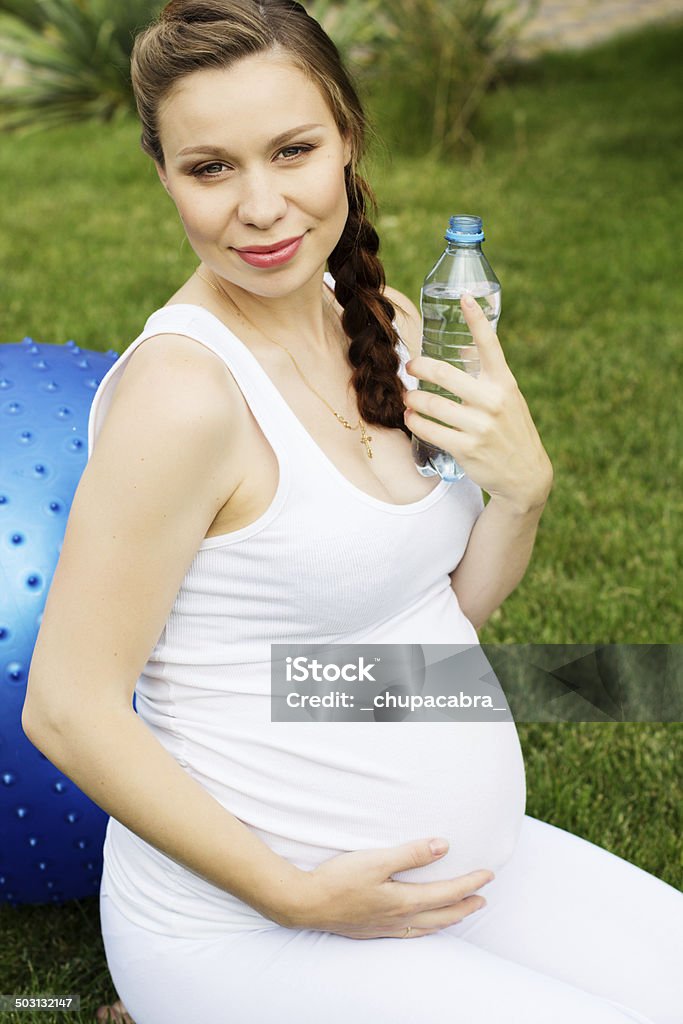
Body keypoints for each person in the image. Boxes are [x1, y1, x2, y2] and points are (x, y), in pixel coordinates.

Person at [21, 2, 681, 1022]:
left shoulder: (379, 320)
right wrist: (295, 891)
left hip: (440, 880)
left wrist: (522, 489)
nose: (260, 205)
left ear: (347, 138)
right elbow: (66, 706)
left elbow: (441, 615)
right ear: (163, 175)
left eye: (292, 150)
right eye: (210, 168)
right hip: (253, 928)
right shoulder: (185, 396)